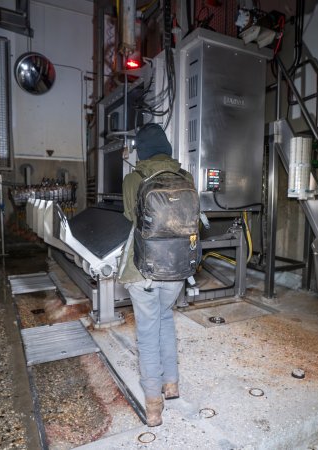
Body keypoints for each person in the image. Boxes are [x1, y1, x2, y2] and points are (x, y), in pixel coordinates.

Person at [118, 123, 193, 427]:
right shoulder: (186, 178)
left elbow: (129, 217)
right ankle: (171, 383)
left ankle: (153, 405)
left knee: (148, 332)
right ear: (167, 149)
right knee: (165, 318)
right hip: (176, 269)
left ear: (142, 151)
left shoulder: (133, 179)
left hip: (143, 270)